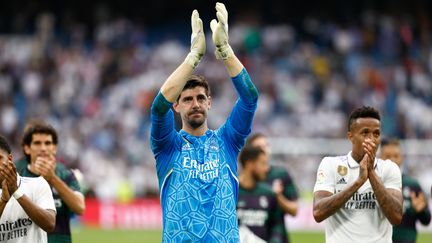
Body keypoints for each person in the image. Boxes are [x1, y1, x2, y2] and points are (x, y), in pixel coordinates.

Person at [150, 2, 258, 242]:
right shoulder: (167, 146)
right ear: (176, 106)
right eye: (187, 99)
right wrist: (193, 58)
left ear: (209, 102)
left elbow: (250, 98)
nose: (195, 103)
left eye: (200, 98)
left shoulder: (227, 141)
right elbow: (158, 107)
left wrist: (226, 52)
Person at [312, 106, 403, 243]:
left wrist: (371, 173)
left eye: (376, 134)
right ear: (350, 136)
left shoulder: (389, 169)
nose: (371, 139)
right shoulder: (330, 165)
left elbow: (396, 217)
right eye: (365, 133)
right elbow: (318, 212)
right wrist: (358, 182)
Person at [15, 120, 85, 243]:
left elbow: (80, 207)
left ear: (54, 148)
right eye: (37, 143)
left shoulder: (65, 174)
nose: (43, 148)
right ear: (27, 148)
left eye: (48, 143)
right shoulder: (17, 176)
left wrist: (52, 178)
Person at [0, 135, 56, 243]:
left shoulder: (37, 184)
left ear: (10, 159)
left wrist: (16, 192)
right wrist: (3, 201)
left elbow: (49, 224)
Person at [245, 133, 298, 242]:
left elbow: (294, 210)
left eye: (266, 146)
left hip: (276, 236)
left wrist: (278, 197)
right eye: (260, 147)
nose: (265, 150)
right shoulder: (244, 180)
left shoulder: (280, 174)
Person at [380, 138, 431, 243]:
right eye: (387, 156)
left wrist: (422, 211)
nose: (392, 160)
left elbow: (426, 220)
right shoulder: (373, 186)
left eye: (396, 156)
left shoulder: (413, 185)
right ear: (380, 157)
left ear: (402, 157)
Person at [237, 145, 286, 243]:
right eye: (263, 164)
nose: (267, 169)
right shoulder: (230, 193)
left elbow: (277, 225)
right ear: (250, 164)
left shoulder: (269, 194)